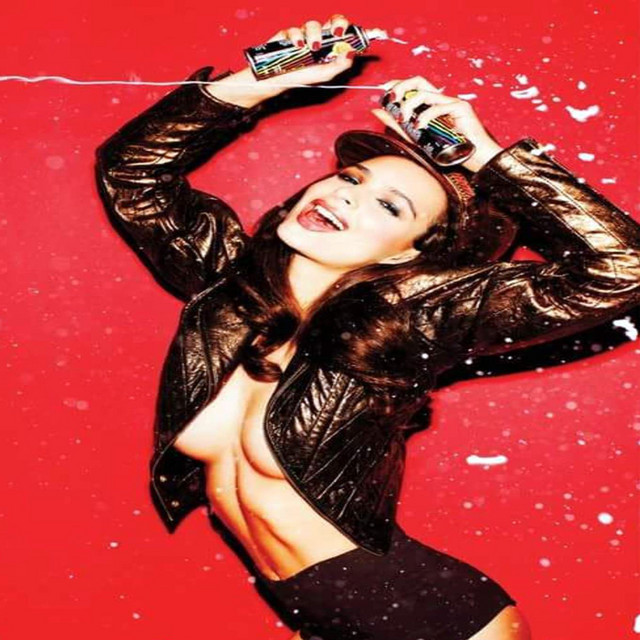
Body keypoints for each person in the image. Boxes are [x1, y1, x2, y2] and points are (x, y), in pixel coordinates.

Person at [94, 14, 640, 640]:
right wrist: (262, 81)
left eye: (388, 205)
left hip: (438, 621)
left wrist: (485, 155)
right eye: (352, 178)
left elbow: (623, 268)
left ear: (408, 253)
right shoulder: (226, 286)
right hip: (318, 615)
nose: (347, 195)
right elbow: (131, 171)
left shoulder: (413, 323)